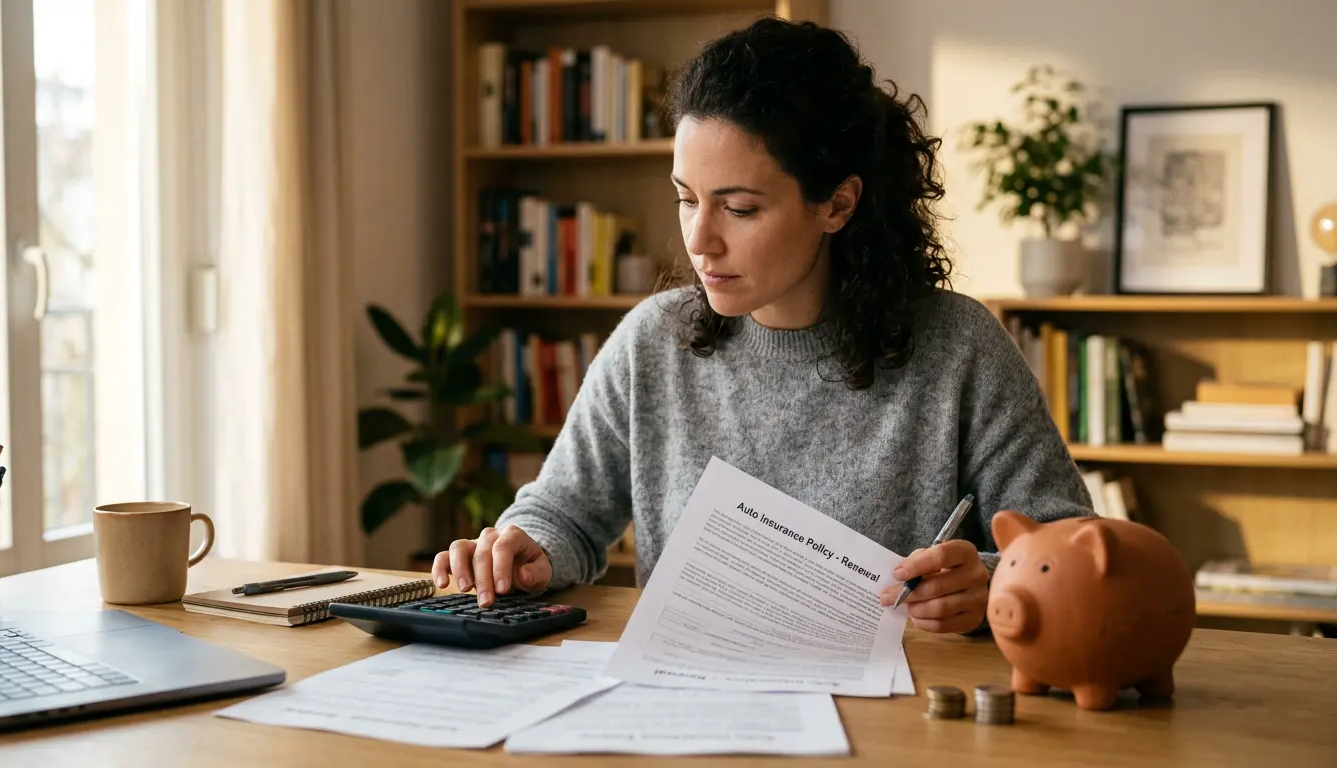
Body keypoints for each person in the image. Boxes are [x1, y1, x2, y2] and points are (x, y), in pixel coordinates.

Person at [433, 17, 1093, 634]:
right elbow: (561, 513)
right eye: (686, 199)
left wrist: (991, 578)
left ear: (837, 204)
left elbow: (1068, 544)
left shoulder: (958, 348)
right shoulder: (653, 341)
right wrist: (526, 548)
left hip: (897, 725)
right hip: (693, 713)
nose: (700, 240)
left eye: (740, 209)